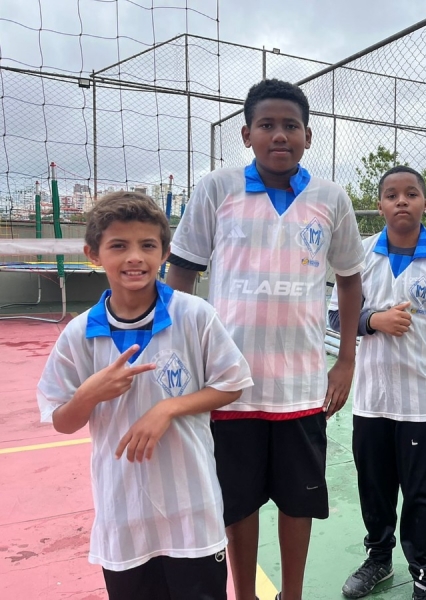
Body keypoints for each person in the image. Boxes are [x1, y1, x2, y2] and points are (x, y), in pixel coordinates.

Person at [165, 79, 365, 600]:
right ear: (246, 134)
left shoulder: (331, 198)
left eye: (291, 126)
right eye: (267, 125)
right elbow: (181, 273)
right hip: (230, 384)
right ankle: (247, 595)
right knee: (239, 502)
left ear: (308, 136)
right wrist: (176, 352)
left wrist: (345, 359)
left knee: (299, 503)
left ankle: (291, 595)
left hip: (301, 386)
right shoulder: (218, 188)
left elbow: (349, 281)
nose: (280, 135)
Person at [37, 191, 253, 600]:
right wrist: (88, 395)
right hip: (123, 516)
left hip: (191, 512)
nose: (134, 257)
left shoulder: (195, 315)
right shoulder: (79, 335)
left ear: (165, 253)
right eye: (119, 246)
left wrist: (168, 408)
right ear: (93, 254)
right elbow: (62, 420)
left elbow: (233, 381)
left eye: (147, 246)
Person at [328, 165, 426, 600]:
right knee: (373, 487)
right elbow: (334, 315)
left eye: (411, 193)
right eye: (392, 195)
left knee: (421, 494)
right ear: (380, 206)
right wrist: (373, 320)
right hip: (371, 399)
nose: (402, 201)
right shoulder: (360, 255)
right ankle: (378, 557)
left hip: (421, 402)